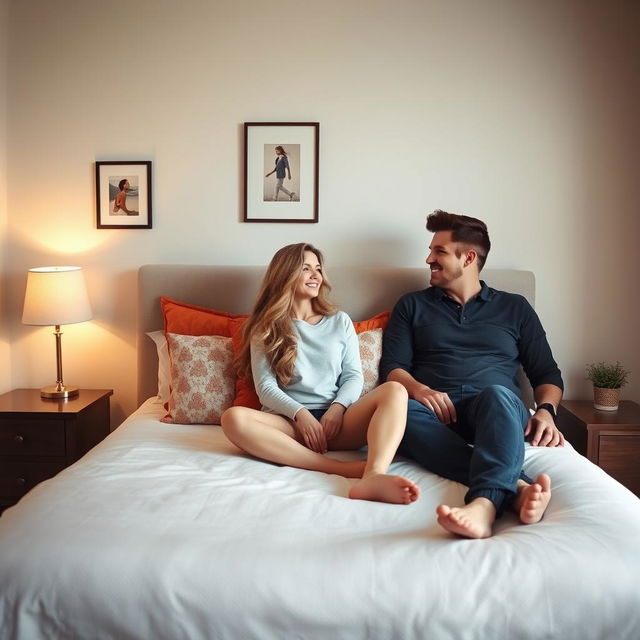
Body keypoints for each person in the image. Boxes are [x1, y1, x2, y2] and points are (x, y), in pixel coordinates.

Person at [380, 210, 564, 538]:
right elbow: (393, 369)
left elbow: (547, 373)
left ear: (468, 257)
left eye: (439, 252)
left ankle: (484, 504)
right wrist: (419, 390)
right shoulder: (412, 305)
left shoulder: (515, 307)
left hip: (494, 411)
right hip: (433, 416)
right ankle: (516, 486)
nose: (428, 259)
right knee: (397, 410)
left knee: (499, 394)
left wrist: (547, 412)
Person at [221, 243, 419, 505]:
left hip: (336, 423)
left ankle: (373, 475)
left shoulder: (340, 321)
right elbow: (266, 387)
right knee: (233, 418)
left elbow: (353, 376)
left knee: (395, 390)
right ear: (285, 275)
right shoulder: (264, 326)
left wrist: (337, 409)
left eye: (318, 268)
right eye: (305, 268)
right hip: (289, 425)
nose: (316, 275)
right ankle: (338, 468)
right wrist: (300, 415)